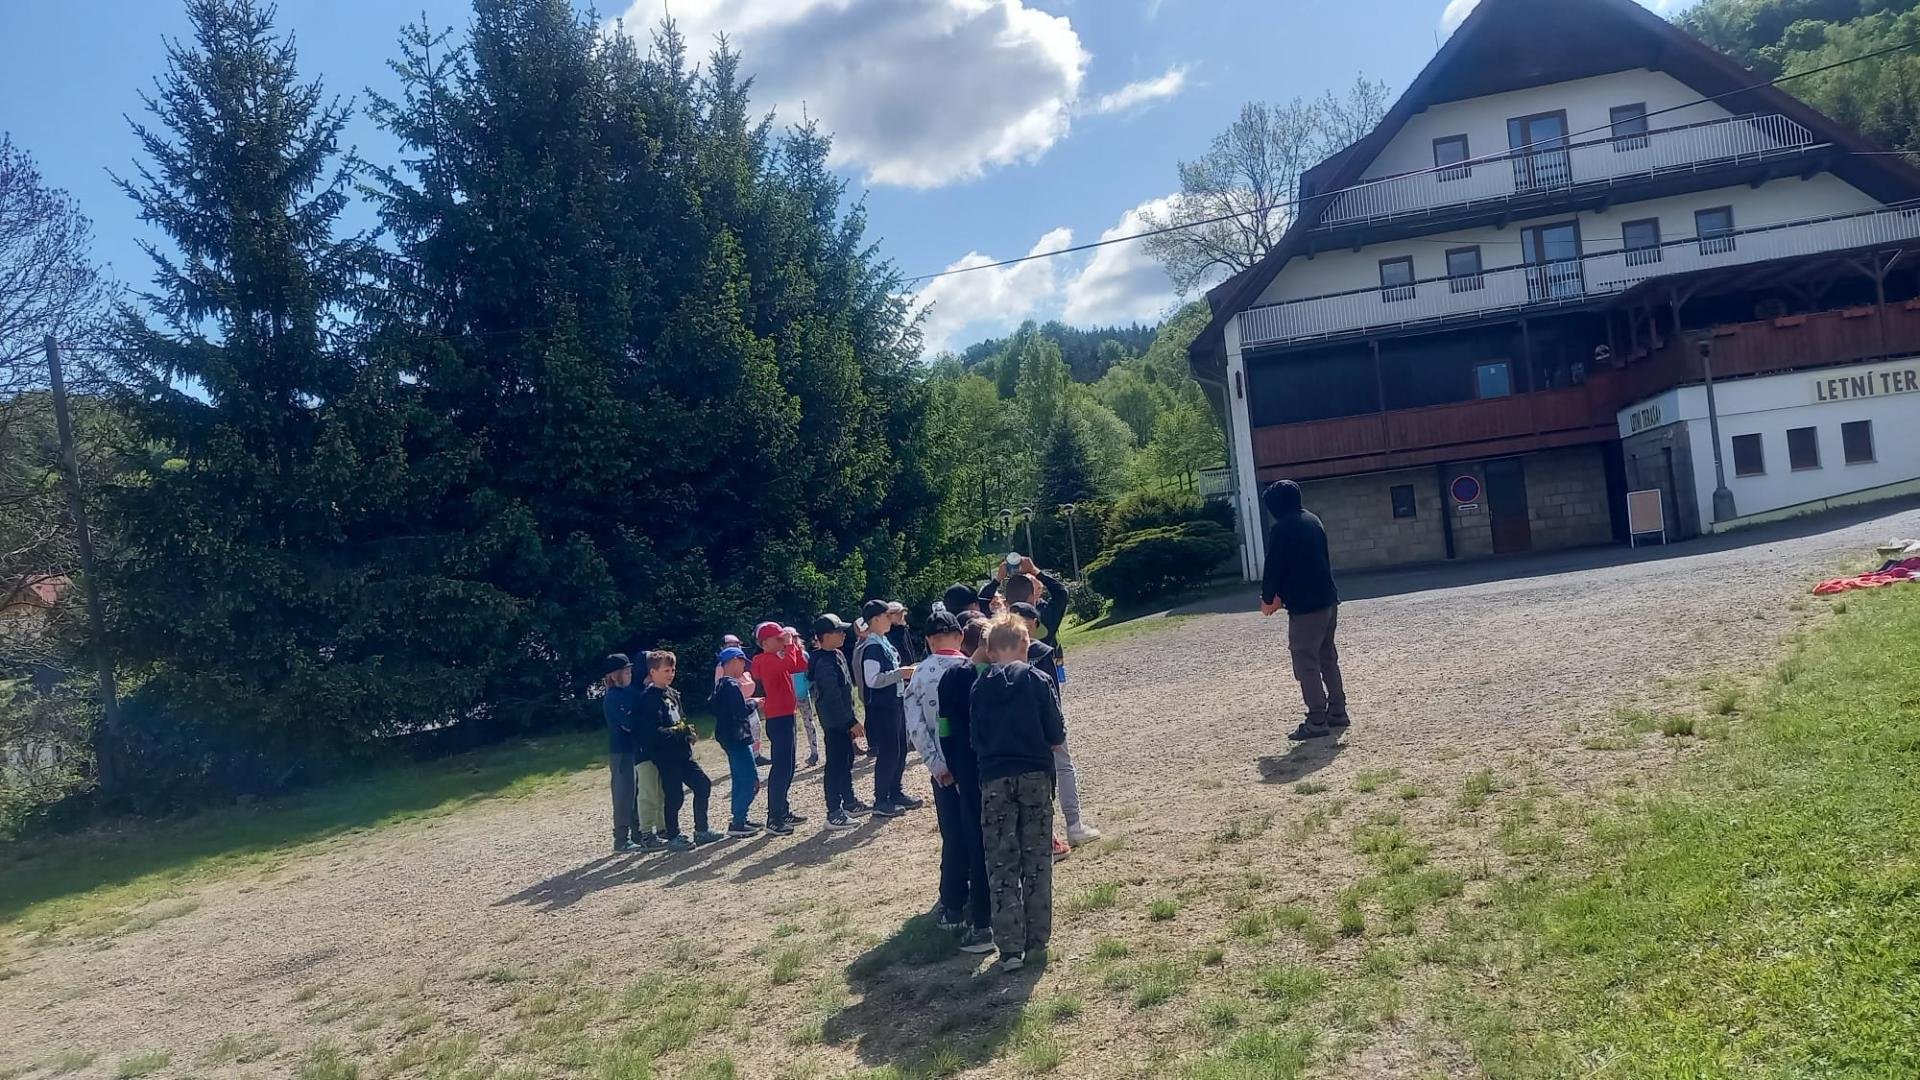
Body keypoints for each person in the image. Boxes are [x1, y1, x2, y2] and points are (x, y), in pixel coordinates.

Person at [970, 616, 1065, 973]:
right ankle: (1037, 939)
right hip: (1035, 774)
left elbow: (975, 739)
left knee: (1001, 861)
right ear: (1026, 644)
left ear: (991, 651)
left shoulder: (979, 688)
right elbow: (1056, 732)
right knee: (1037, 857)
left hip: (994, 780)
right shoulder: (1038, 680)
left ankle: (1010, 949)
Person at [1005, 601, 1099, 853]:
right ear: (1034, 625)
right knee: (1063, 768)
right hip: (1046, 721)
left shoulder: (1001, 655)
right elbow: (1052, 693)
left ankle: (1047, 835)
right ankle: (1074, 825)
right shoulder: (1043, 651)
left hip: (1017, 728)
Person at [1258, 479, 1348, 742]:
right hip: (1328, 599)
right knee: (1327, 657)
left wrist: (1268, 597)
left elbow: (1274, 566)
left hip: (1306, 607)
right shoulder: (1312, 520)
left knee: (1305, 661)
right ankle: (1338, 711)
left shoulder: (1282, 528)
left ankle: (1317, 720)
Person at [906, 610, 975, 929]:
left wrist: (936, 764)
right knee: (978, 828)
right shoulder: (972, 668)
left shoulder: (919, 674)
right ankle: (981, 891)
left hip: (943, 770)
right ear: (960, 636)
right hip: (973, 765)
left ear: (928, 641)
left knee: (953, 834)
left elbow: (916, 726)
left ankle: (952, 904)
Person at [937, 614, 996, 954]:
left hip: (966, 769)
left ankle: (982, 922)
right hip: (996, 765)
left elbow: (944, 728)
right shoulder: (999, 676)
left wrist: (954, 769)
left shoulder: (950, 678)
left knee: (976, 841)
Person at [638, 650, 726, 851]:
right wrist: (679, 732)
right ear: (653, 672)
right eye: (666, 670)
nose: (671, 674)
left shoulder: (672, 693)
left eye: (673, 670)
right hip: (666, 757)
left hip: (683, 754)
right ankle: (673, 835)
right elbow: (652, 733)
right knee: (674, 796)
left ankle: (701, 830)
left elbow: (680, 719)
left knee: (702, 784)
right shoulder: (648, 699)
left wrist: (688, 733)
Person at [858, 599, 920, 817]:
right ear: (875, 619)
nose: (890, 619)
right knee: (889, 752)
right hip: (883, 707)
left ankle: (895, 791)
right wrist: (900, 673)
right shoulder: (872, 647)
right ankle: (881, 799)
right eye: (886, 616)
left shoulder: (883, 641)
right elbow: (872, 679)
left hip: (895, 702)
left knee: (900, 748)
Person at [750, 622, 811, 836]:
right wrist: (790, 645)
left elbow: (799, 666)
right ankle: (774, 818)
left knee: (789, 766)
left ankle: (783, 811)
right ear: (765, 642)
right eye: (777, 639)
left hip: (787, 714)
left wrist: (794, 645)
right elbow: (789, 665)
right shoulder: (764, 660)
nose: (781, 641)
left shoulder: (776, 657)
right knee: (781, 768)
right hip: (778, 718)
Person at [600, 653, 661, 854]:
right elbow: (629, 723)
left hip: (633, 750)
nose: (630, 674)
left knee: (637, 793)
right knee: (624, 794)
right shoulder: (613, 697)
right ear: (615, 675)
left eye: (630, 671)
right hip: (621, 752)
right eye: (626, 672)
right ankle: (621, 839)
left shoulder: (629, 692)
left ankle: (637, 834)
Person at [809, 613, 865, 829]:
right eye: (838, 631)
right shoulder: (823, 662)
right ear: (824, 636)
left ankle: (849, 802)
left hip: (843, 720)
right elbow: (832, 697)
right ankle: (833, 812)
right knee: (835, 765)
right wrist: (850, 721)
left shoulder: (837, 654)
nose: (843, 634)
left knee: (847, 760)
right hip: (834, 723)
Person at [712, 646, 762, 837]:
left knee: (739, 779)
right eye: (742, 662)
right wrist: (754, 703)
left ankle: (740, 817)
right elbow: (740, 711)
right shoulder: (732, 685)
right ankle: (738, 822)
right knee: (750, 780)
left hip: (728, 738)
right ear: (734, 661)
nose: (743, 667)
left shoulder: (720, 684)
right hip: (738, 737)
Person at [718, 634, 771, 767]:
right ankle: (748, 758)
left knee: (756, 729)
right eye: (730, 645)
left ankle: (756, 755)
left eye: (736, 644)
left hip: (749, 702)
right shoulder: (723, 669)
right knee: (743, 733)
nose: (735, 646)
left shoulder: (744, 663)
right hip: (738, 707)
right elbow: (721, 691)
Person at [785, 625, 823, 768]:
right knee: (791, 728)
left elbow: (811, 675)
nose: (793, 641)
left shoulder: (804, 655)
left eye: (794, 637)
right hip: (788, 698)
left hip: (803, 695)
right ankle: (792, 758)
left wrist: (807, 685)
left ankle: (814, 752)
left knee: (809, 723)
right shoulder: (782, 656)